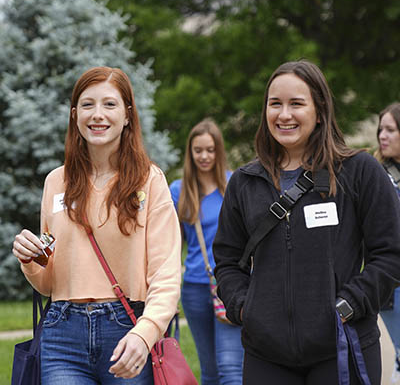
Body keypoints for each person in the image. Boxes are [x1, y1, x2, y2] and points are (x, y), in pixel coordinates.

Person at [213, 60, 400, 384]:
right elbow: (228, 261)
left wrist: (350, 304)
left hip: (343, 346)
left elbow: (391, 253)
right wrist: (246, 309)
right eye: (275, 104)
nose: (284, 115)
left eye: (296, 104)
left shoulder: (360, 172)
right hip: (266, 354)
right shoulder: (245, 182)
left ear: (320, 109)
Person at [12, 66, 181, 384]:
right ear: (75, 115)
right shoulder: (56, 182)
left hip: (127, 330)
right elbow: (49, 284)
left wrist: (144, 335)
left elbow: (166, 275)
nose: (97, 114)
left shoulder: (150, 180)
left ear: (128, 115)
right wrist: (31, 260)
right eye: (87, 105)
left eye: (110, 104)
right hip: (62, 333)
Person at [169, 119, 244, 385]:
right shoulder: (178, 190)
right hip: (195, 287)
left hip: (230, 285)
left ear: (218, 151)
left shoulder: (234, 183)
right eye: (198, 150)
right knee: (210, 370)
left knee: (231, 368)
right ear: (190, 153)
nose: (204, 156)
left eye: (210, 150)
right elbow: (170, 243)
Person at [375, 102, 400, 384]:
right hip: (391, 283)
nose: (383, 135)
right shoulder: (377, 176)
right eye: (381, 129)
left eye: (391, 130)